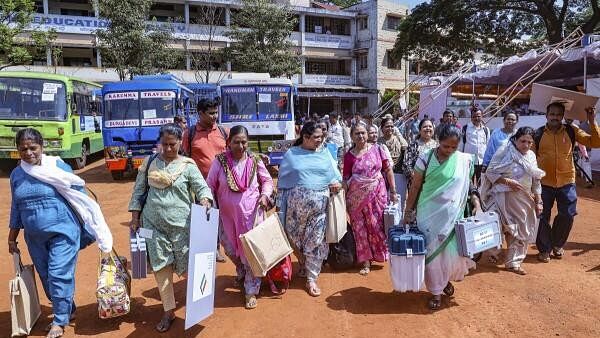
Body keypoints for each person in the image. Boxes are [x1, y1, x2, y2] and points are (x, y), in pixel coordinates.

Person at [8, 128, 112, 338]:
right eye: (23, 149)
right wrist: (12, 238)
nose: (29, 153)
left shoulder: (57, 166)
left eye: (33, 147)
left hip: (63, 231)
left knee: (58, 273)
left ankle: (59, 320)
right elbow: (16, 207)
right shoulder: (17, 175)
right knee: (46, 276)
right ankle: (68, 308)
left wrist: (91, 224)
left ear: (42, 146)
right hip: (34, 237)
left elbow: (77, 196)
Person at [128, 123, 213, 332]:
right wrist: (135, 218)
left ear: (179, 143)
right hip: (154, 227)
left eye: (172, 145)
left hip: (183, 229)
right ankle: (168, 311)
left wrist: (205, 201)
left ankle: (198, 306)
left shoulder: (188, 165)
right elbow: (138, 192)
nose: (167, 149)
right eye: (164, 144)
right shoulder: (149, 164)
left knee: (189, 270)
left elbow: (202, 188)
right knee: (161, 269)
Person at [403, 124, 479, 310]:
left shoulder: (464, 160)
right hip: (428, 215)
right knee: (432, 255)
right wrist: (408, 211)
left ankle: (444, 281)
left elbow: (468, 184)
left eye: (454, 147)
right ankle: (436, 292)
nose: (450, 151)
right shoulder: (425, 159)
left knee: (452, 253)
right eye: (446, 146)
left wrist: (475, 199)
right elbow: (415, 187)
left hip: (453, 217)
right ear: (438, 141)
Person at [207, 126, 274, 309]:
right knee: (230, 248)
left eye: (244, 142)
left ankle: (251, 290)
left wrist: (265, 195)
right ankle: (242, 270)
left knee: (250, 252)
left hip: (252, 216)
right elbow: (209, 185)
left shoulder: (255, 160)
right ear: (228, 143)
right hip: (226, 218)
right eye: (236, 142)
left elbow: (267, 180)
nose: (241, 146)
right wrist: (208, 203)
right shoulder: (219, 162)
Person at [277, 121, 342, 297]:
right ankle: (303, 261)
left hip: (319, 208)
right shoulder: (292, 154)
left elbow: (335, 175)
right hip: (295, 211)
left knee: (316, 240)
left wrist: (336, 183)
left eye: (321, 137)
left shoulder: (325, 153)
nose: (319, 141)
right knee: (293, 238)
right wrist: (278, 205)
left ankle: (312, 278)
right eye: (315, 138)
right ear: (305, 137)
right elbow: (282, 182)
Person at [535, 104, 600, 263]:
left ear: (562, 116)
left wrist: (592, 121)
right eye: (552, 114)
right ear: (546, 115)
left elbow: (596, 142)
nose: (555, 117)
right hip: (544, 182)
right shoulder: (538, 134)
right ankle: (544, 249)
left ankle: (557, 244)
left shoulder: (572, 130)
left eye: (558, 114)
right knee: (542, 216)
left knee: (568, 214)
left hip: (566, 181)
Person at [481, 127, 545, 275]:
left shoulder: (531, 156)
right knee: (494, 224)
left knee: (520, 231)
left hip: (522, 199)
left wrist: (538, 201)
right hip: (501, 197)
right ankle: (493, 252)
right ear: (515, 139)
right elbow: (490, 172)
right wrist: (507, 182)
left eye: (529, 142)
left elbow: (536, 179)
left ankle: (513, 263)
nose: (526, 145)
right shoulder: (504, 151)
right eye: (523, 141)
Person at [344, 123, 398, 276]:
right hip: (356, 199)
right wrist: (341, 198)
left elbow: (388, 170)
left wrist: (393, 191)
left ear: (367, 134)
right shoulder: (349, 156)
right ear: (352, 136)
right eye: (357, 134)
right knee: (360, 228)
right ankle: (366, 261)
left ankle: (380, 254)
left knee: (376, 225)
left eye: (363, 133)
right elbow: (346, 178)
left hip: (377, 195)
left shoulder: (378, 150)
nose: (360, 136)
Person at [182, 97, 228, 262]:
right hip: (200, 186)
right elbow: (184, 157)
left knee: (222, 217)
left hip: (224, 185)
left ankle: (221, 247)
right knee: (206, 217)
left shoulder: (223, 132)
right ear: (200, 113)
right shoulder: (190, 133)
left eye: (216, 112)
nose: (215, 116)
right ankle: (209, 249)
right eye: (211, 113)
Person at [378, 117, 409, 209]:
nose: (390, 128)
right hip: (384, 174)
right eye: (387, 126)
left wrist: (398, 134)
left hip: (398, 173)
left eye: (392, 126)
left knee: (399, 199)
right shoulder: (379, 141)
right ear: (382, 128)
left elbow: (405, 146)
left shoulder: (398, 139)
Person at [401, 117, 439, 188]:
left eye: (430, 126)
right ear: (420, 130)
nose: (428, 128)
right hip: (416, 183)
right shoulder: (413, 145)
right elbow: (406, 164)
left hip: (434, 182)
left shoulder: (438, 145)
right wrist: (416, 178)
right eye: (425, 127)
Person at [460, 109, 490, 185]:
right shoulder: (465, 128)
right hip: (469, 161)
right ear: (471, 117)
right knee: (468, 183)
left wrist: (487, 162)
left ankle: (479, 196)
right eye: (474, 116)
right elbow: (461, 145)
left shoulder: (486, 130)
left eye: (478, 116)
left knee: (481, 184)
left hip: (482, 161)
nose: (476, 118)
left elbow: (488, 146)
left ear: (482, 116)